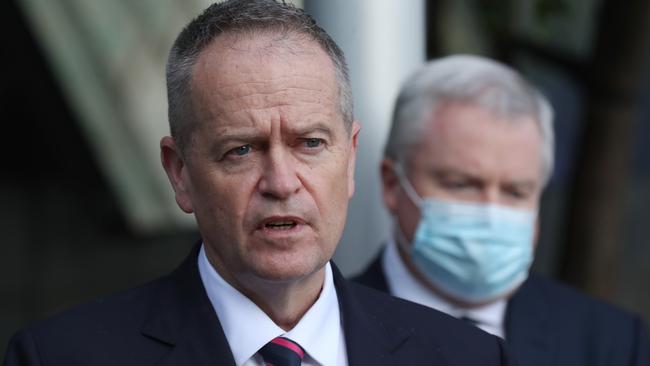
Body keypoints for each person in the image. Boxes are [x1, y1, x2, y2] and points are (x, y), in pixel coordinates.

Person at [3, 2, 515, 366]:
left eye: (311, 144)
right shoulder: (61, 356)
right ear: (179, 172)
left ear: (351, 157)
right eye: (241, 150)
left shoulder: (465, 356)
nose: (281, 182)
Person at [353, 54, 650, 366]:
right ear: (391, 184)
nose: (491, 211)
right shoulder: (325, 330)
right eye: (461, 184)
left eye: (515, 191)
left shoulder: (611, 342)